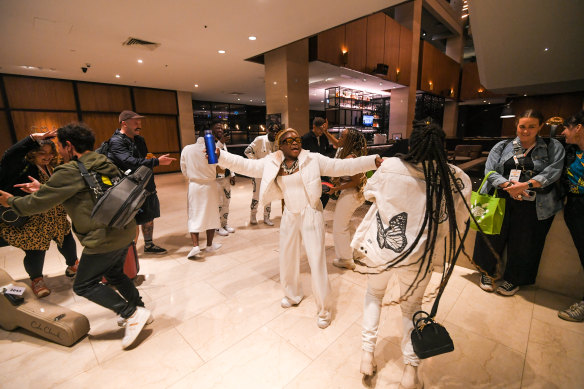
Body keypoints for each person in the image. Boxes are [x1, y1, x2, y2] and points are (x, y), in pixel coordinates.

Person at [0, 123, 152, 349]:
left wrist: (10, 201)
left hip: (103, 237)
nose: (58, 152)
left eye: (59, 147)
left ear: (69, 145)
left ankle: (130, 313)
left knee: (84, 284)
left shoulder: (69, 171)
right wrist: (43, 188)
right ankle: (140, 309)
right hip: (124, 228)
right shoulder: (104, 161)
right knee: (114, 273)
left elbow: (35, 205)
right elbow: (83, 190)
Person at [216, 128, 382, 329]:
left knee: (316, 260)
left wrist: (372, 161)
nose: (295, 143)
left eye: (297, 139)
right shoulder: (273, 162)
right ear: (281, 146)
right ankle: (293, 294)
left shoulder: (313, 159)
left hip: (311, 213)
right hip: (289, 215)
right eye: (289, 140)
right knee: (287, 257)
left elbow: (341, 166)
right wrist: (221, 156)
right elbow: (246, 165)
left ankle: (324, 309)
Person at [354, 120, 471, 387]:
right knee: (411, 310)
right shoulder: (456, 177)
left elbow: (370, 193)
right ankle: (410, 371)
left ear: (412, 143)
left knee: (374, 295)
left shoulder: (391, 167)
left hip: (381, 251)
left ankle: (366, 354)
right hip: (419, 257)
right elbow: (460, 217)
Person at [473, 109, 565, 296]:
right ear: (517, 126)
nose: (526, 131)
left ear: (540, 126)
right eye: (522, 126)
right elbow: (490, 171)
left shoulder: (551, 146)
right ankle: (486, 272)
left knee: (526, 242)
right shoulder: (503, 145)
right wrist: (508, 185)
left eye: (531, 126)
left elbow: (554, 171)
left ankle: (514, 279)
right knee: (491, 235)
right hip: (501, 196)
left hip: (534, 202)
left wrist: (525, 185)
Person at [0, 130, 79, 297]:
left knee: (67, 241)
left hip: (57, 217)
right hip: (34, 220)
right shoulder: (23, 167)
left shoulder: (53, 167)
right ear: (32, 153)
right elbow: (9, 156)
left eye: (50, 153)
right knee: (35, 251)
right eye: (42, 153)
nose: (47, 157)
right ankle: (37, 280)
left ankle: (73, 266)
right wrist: (30, 139)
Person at [106, 110, 176, 254]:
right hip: (129, 187)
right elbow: (128, 162)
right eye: (135, 121)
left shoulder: (140, 139)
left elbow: (143, 158)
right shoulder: (116, 141)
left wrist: (151, 160)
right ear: (124, 123)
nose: (139, 124)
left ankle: (149, 245)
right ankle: (130, 253)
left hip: (146, 183)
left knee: (149, 217)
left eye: (139, 121)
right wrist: (156, 161)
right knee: (132, 220)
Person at [328, 128, 368, 270]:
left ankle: (345, 259)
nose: (340, 138)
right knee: (347, 224)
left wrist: (335, 189)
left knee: (340, 227)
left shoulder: (350, 158)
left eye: (343, 136)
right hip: (352, 193)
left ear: (350, 140)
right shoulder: (350, 154)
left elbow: (355, 181)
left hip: (351, 194)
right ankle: (356, 252)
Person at [558, 111, 584, 322]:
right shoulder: (571, 151)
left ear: (579, 128)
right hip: (575, 208)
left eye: (567, 127)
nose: (563, 132)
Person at [180, 129, 222, 259]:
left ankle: (195, 246)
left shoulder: (187, 149)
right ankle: (209, 245)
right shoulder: (213, 148)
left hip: (195, 186)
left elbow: (183, 169)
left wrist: (192, 177)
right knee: (212, 214)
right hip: (210, 185)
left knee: (194, 214)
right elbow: (221, 168)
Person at [244, 122, 279, 226]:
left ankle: (266, 217)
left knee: (269, 195)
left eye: (276, 132)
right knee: (257, 195)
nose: (275, 134)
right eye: (273, 131)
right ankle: (253, 216)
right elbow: (247, 151)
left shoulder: (277, 142)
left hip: (271, 173)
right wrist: (256, 163)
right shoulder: (260, 139)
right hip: (259, 173)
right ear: (268, 130)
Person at [302, 117, 336, 209]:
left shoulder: (323, 137)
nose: (322, 131)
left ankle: (319, 211)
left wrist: (334, 147)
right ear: (314, 126)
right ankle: (312, 213)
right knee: (313, 193)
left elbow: (326, 149)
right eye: (320, 129)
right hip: (310, 171)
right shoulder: (306, 138)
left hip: (322, 169)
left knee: (326, 192)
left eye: (323, 129)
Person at [212, 121, 236, 236]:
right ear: (212, 129)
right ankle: (217, 227)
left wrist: (232, 174)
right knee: (219, 203)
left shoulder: (222, 143)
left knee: (227, 201)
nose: (220, 130)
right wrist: (220, 142)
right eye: (217, 127)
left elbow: (227, 158)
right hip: (215, 178)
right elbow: (213, 155)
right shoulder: (210, 142)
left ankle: (224, 223)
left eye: (221, 128)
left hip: (225, 177)